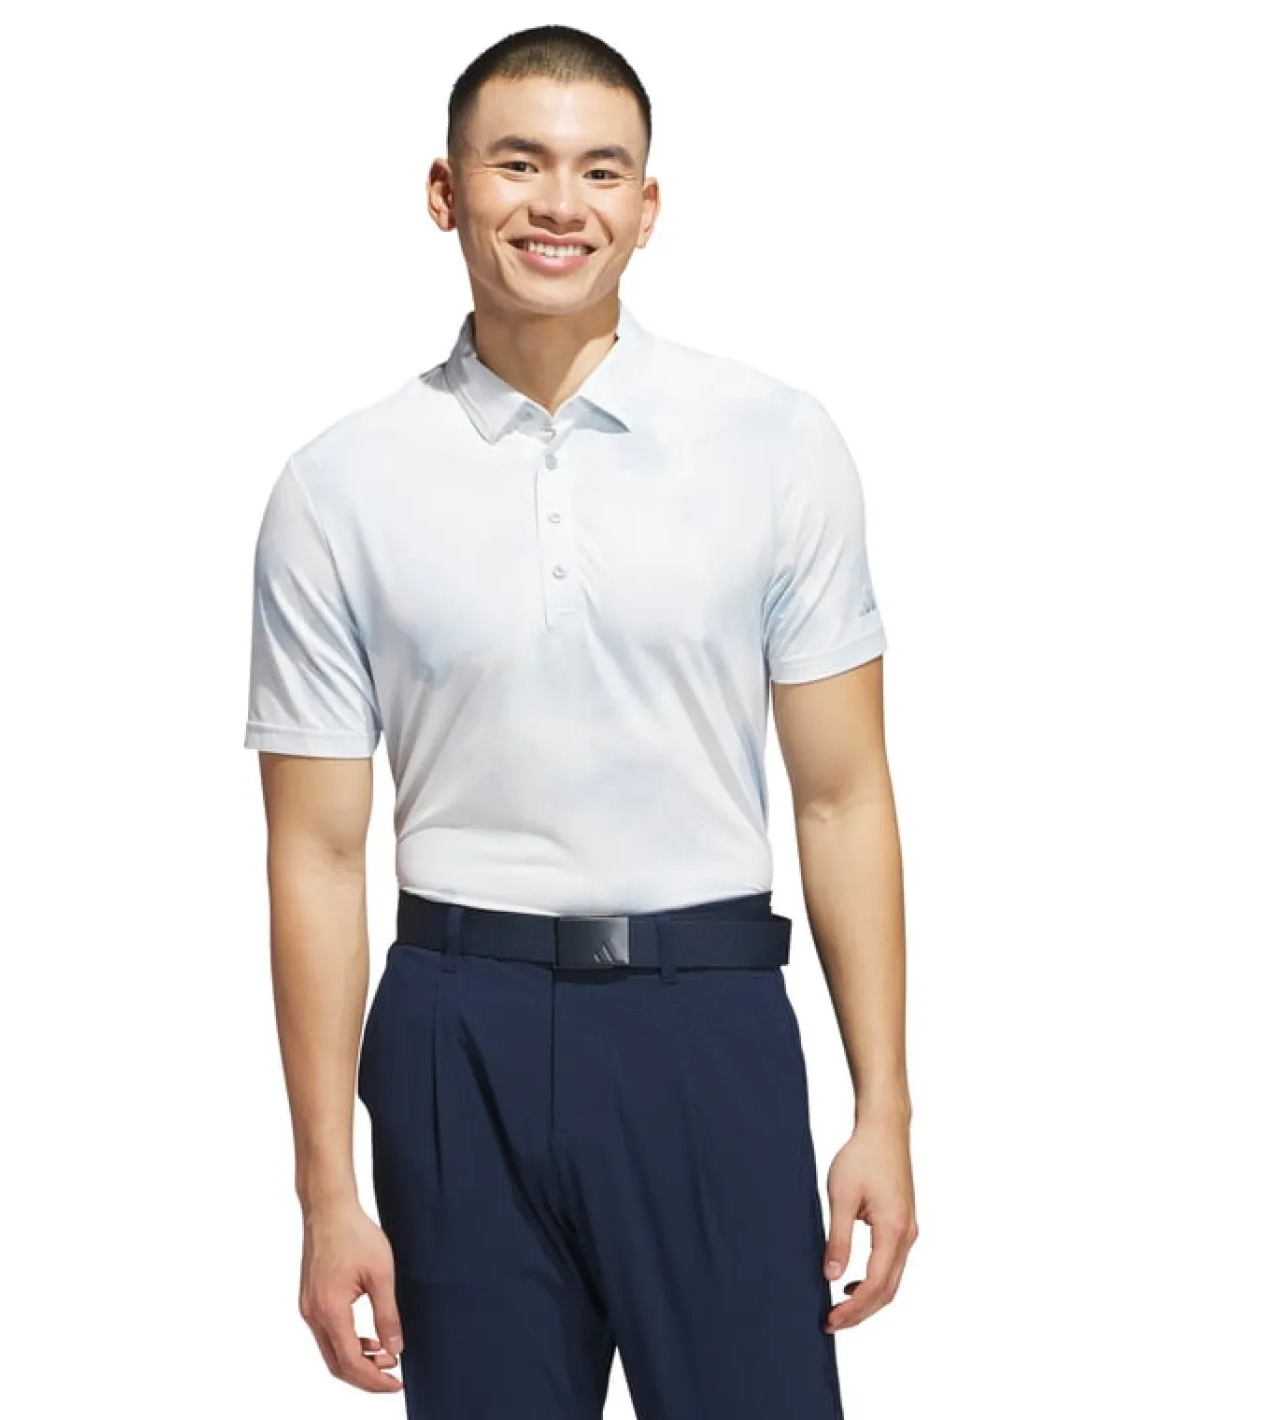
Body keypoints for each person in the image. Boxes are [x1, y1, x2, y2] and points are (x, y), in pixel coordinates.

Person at [243, 23, 915, 1418]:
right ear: (446, 191)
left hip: (708, 1020)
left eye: (601, 170)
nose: (561, 204)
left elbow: (842, 795)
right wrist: (325, 1191)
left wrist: (883, 1111)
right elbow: (314, 852)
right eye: (519, 163)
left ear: (648, 206)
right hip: (455, 1035)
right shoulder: (339, 487)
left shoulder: (776, 443)